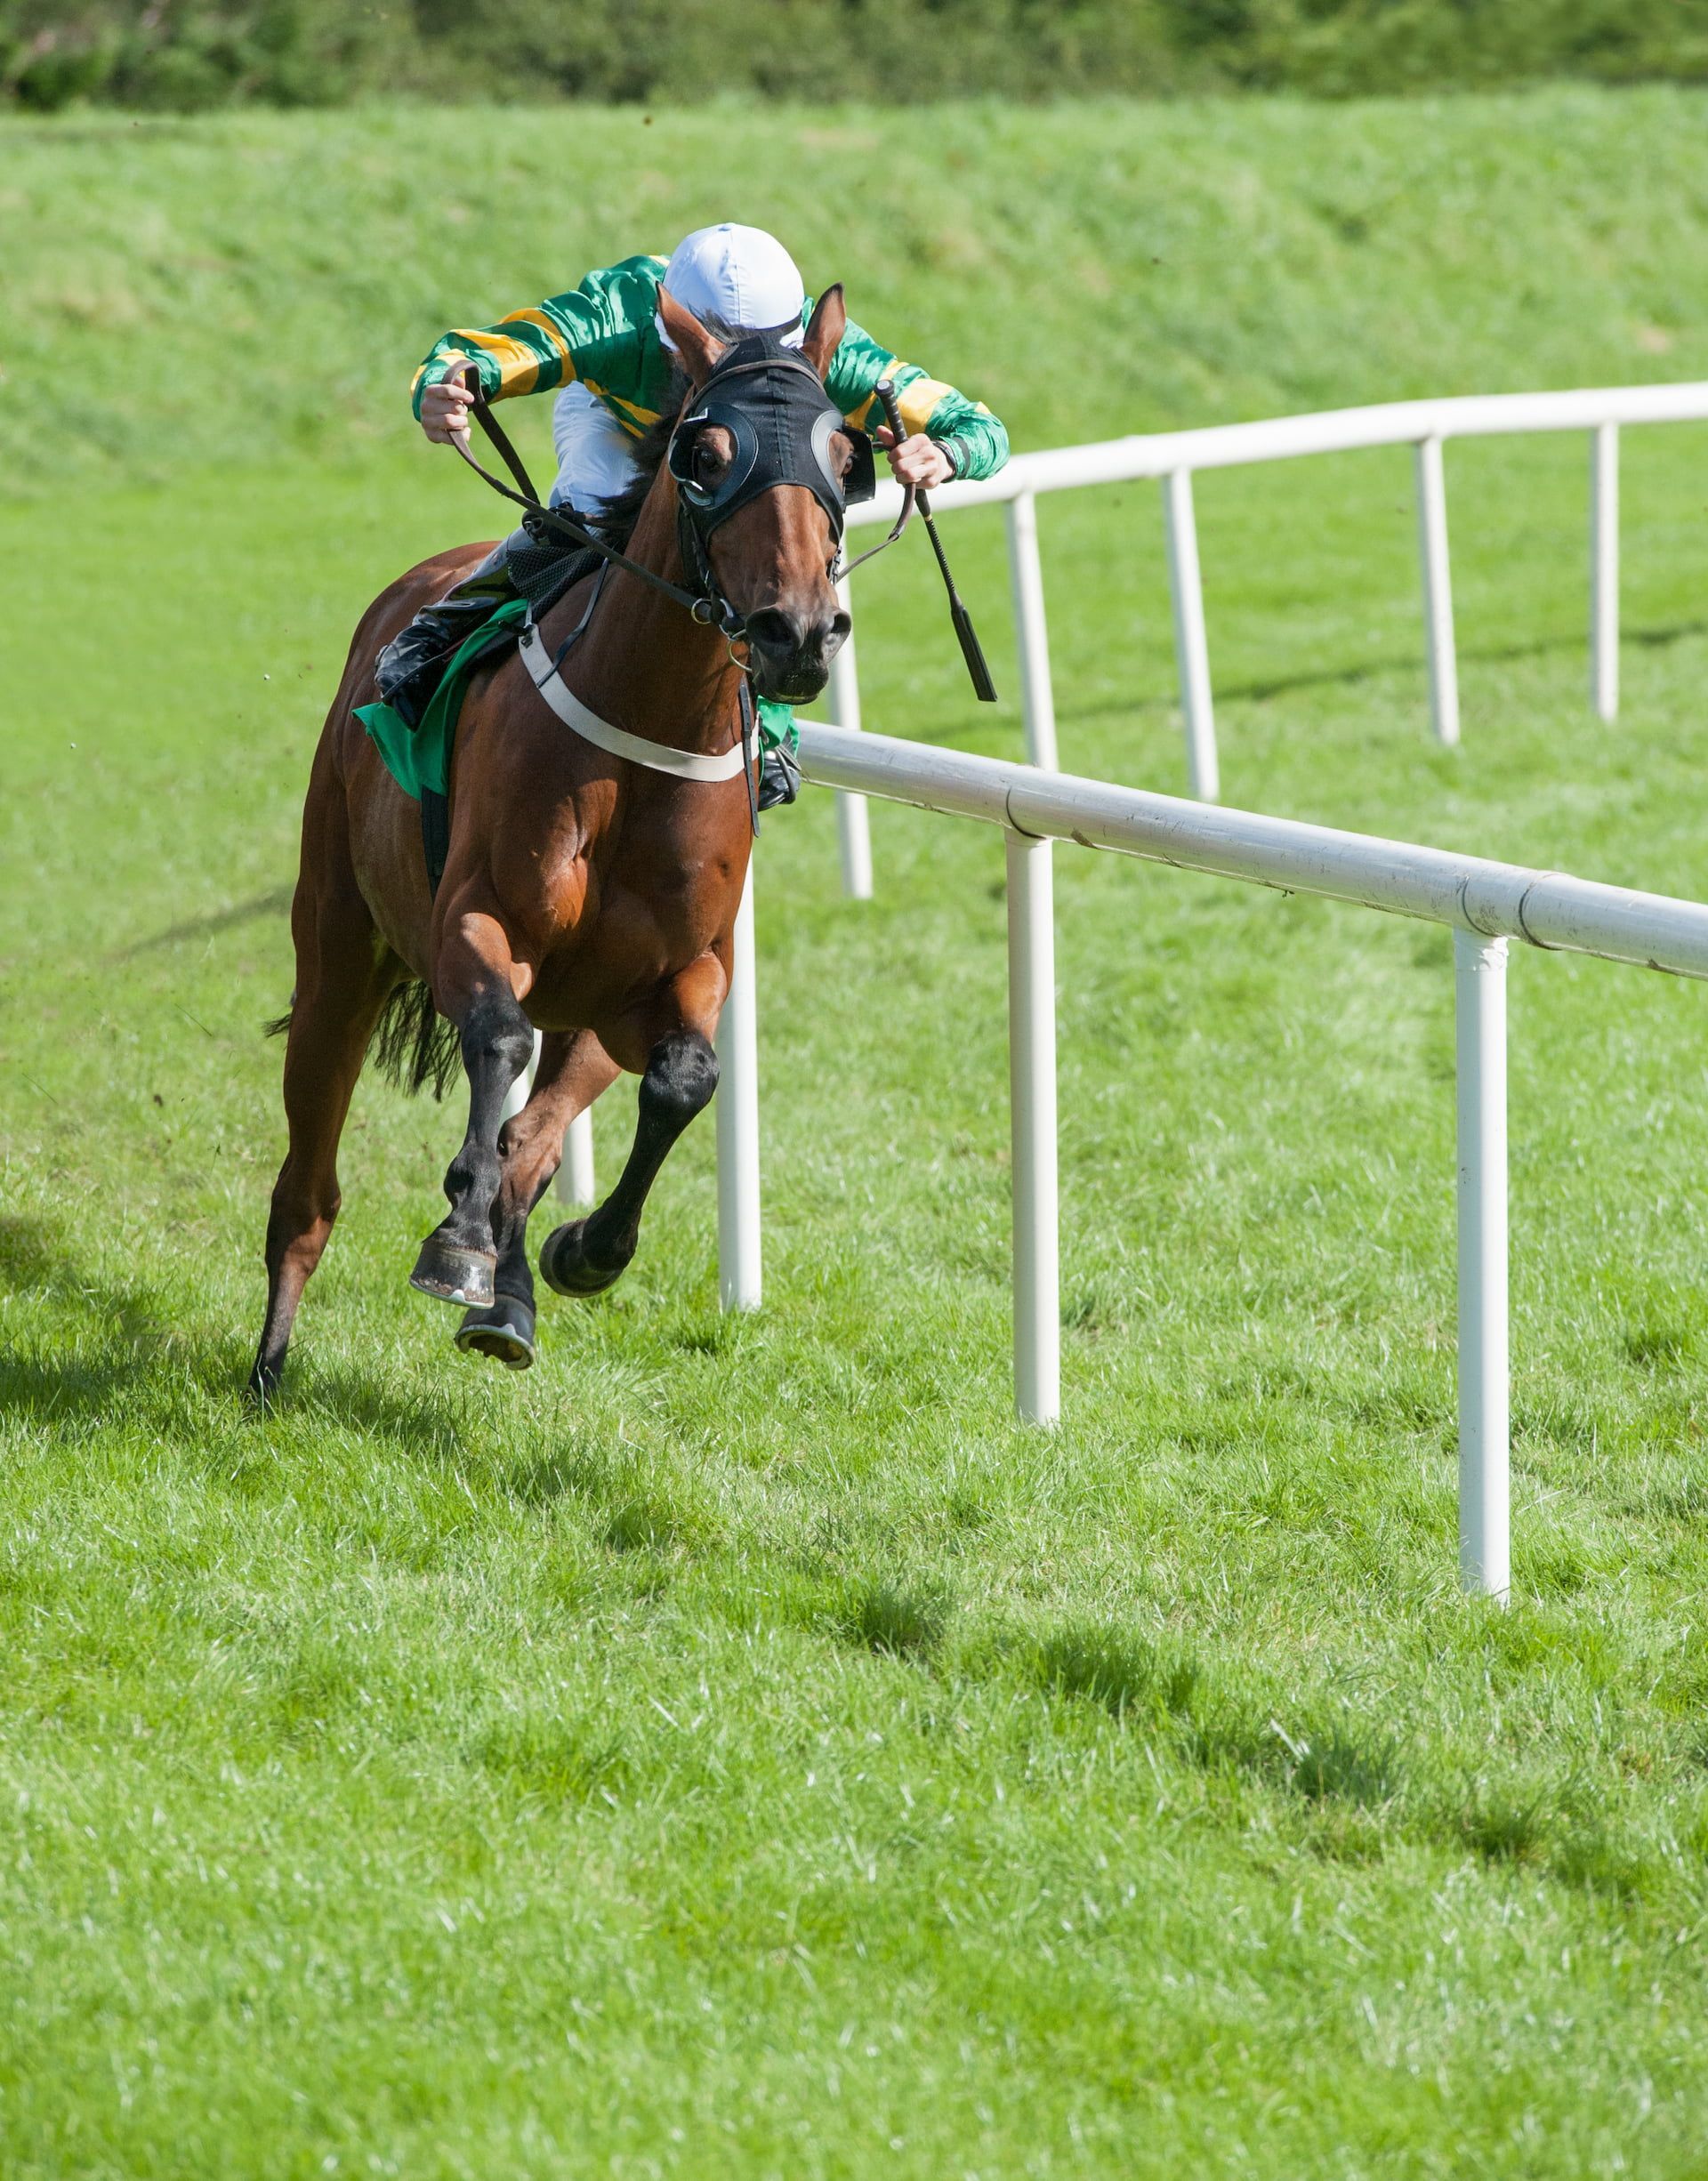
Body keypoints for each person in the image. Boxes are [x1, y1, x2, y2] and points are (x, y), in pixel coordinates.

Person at [375, 222, 1008, 803]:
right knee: (598, 502)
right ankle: (456, 619)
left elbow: (981, 428)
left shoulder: (838, 353)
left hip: (750, 455)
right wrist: (450, 387)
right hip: (620, 423)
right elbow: (480, 353)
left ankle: (769, 718)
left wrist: (945, 452)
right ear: (672, 331)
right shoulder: (613, 317)